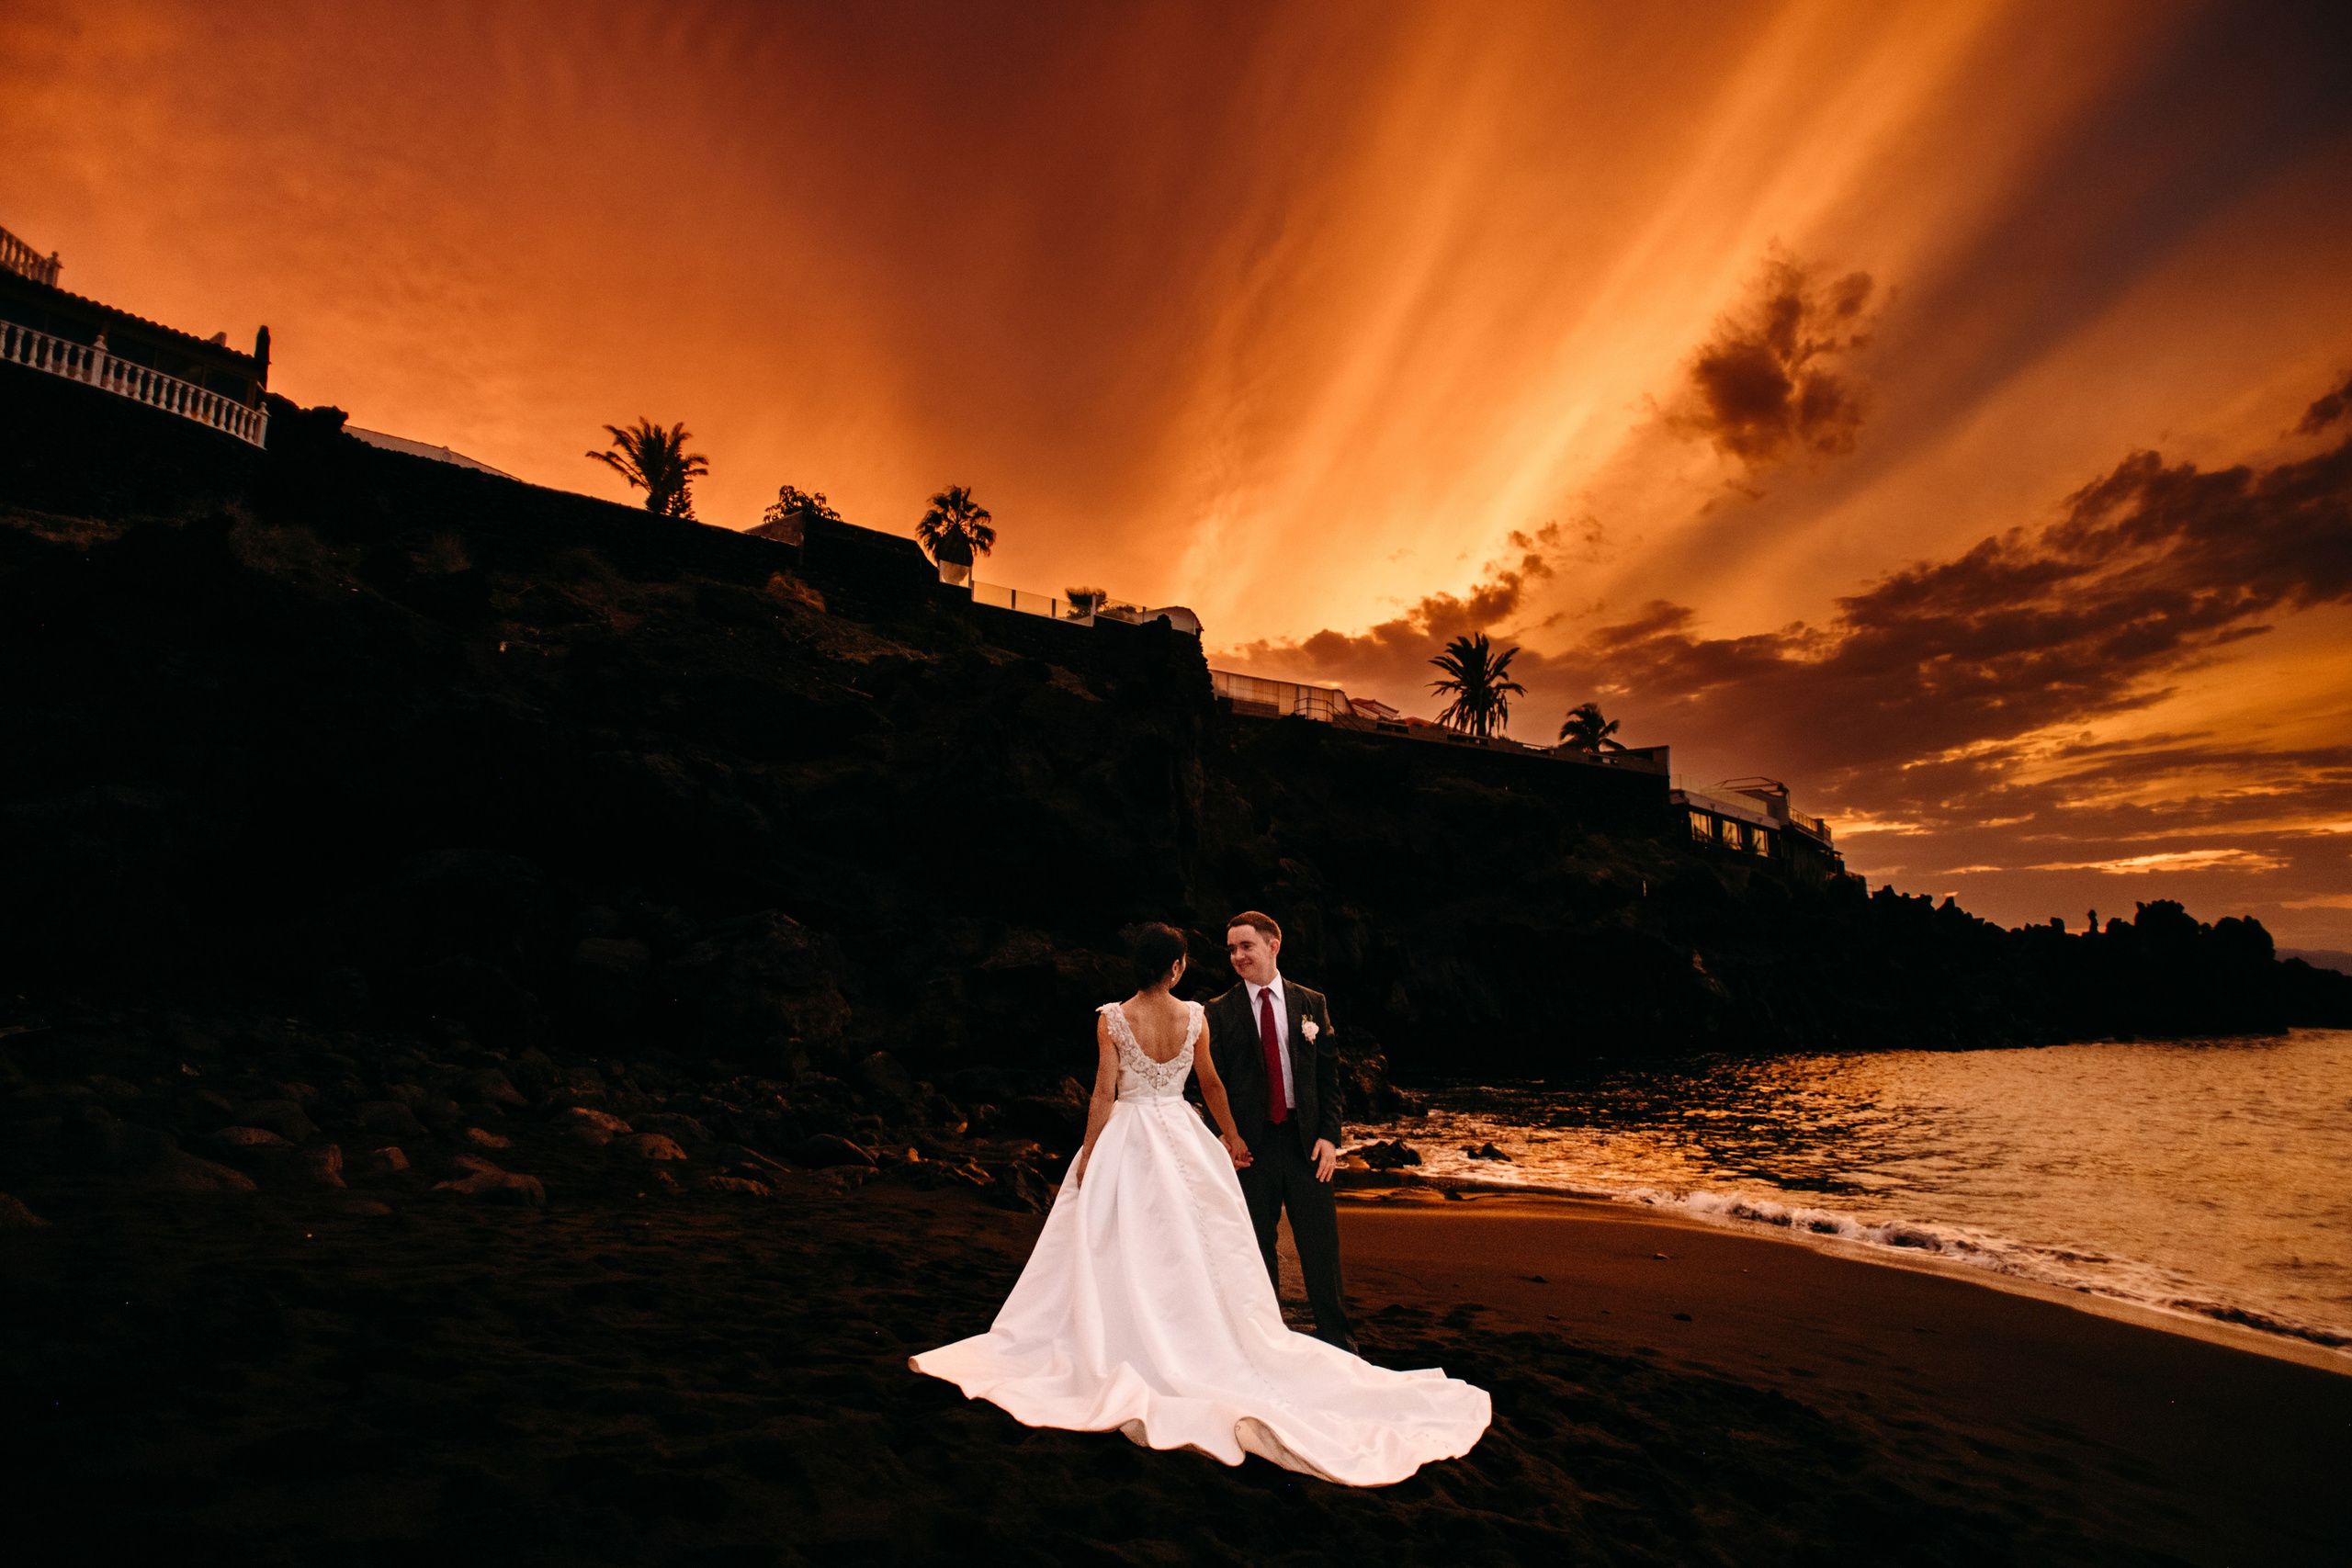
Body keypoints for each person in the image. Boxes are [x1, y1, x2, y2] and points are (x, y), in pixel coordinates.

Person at [910, 923, 1488, 1486]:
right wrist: (1231, 1138)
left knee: (1123, 1236)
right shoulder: (1195, 1016)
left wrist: (1089, 1154)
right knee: (1192, 1240)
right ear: (1179, 966)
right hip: (1181, 1132)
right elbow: (1209, 1084)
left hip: (1130, 1134)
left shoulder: (1112, 1018)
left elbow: (1105, 1091)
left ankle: (1125, 1331)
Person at [1204, 910, 1353, 1350]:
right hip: (1251, 1148)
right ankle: (1267, 1344)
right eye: (1231, 948)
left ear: (1273, 946)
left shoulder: (1311, 1003)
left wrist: (1331, 1137)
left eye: (1246, 946)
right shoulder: (1219, 1011)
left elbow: (1329, 1077)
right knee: (1256, 1249)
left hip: (1306, 1143)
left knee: (1320, 1248)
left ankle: (1340, 1344)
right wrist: (1227, 1137)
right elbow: (1212, 1083)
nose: (1237, 956)